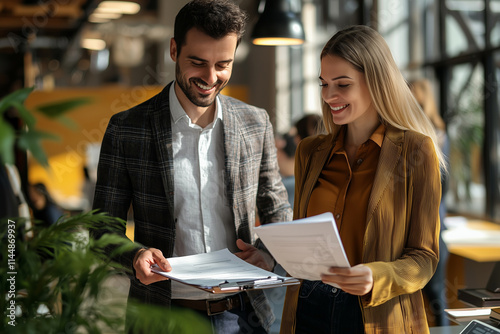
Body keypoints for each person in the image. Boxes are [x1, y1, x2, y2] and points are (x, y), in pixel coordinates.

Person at [91, 1, 292, 333]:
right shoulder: (128, 128)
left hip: (243, 316)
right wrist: (134, 255)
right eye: (197, 62)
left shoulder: (255, 123)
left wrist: (268, 255)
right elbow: (101, 230)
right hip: (163, 317)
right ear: (173, 50)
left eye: (223, 64)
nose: (210, 78)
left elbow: (278, 209)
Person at [280, 25, 446, 334]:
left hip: (376, 314)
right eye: (324, 84)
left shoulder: (416, 150)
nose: (330, 96)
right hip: (309, 305)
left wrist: (376, 276)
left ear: (376, 82)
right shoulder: (309, 152)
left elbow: (424, 259)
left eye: (342, 84)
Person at [409, 78, 450, 326]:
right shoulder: (438, 133)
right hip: (430, 225)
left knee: (431, 298)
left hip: (428, 226)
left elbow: (443, 182)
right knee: (431, 300)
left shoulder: (428, 135)